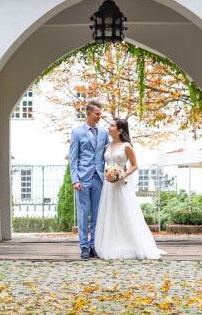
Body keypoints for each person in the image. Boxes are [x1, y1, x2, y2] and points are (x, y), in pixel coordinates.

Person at [94, 119, 165, 261]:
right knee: (110, 213)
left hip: (121, 184)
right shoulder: (107, 146)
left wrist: (122, 174)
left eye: (112, 126)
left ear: (120, 130)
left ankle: (130, 246)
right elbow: (106, 163)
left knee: (124, 213)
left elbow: (134, 165)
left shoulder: (126, 146)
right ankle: (111, 245)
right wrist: (108, 173)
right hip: (108, 186)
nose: (109, 128)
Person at [69, 99, 108, 260]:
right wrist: (74, 179)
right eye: (97, 114)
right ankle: (84, 247)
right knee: (83, 214)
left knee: (97, 214)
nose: (100, 116)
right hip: (82, 180)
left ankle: (94, 246)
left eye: (100, 114)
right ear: (88, 114)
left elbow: (108, 153)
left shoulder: (104, 132)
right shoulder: (77, 133)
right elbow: (73, 158)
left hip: (99, 178)